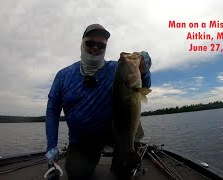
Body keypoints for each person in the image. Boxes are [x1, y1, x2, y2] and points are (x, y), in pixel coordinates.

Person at [45, 24, 152, 180]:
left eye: (101, 45)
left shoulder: (116, 69)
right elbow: (53, 110)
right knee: (77, 173)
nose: (95, 47)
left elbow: (144, 85)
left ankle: (122, 163)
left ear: (105, 48)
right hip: (82, 139)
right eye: (90, 43)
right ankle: (90, 158)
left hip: (115, 131)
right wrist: (51, 145)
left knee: (124, 169)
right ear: (81, 43)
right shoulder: (63, 75)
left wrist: (144, 70)